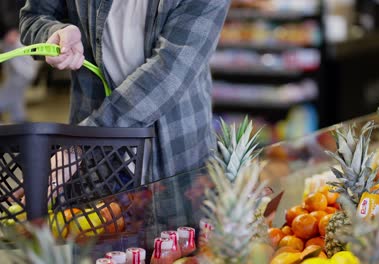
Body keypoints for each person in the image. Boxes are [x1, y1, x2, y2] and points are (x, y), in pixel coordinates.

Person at [20, 0, 231, 181]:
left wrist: (84, 142)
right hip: (91, 158)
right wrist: (53, 34)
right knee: (91, 224)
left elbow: (170, 70)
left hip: (176, 152)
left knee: (179, 228)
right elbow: (33, 18)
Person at [0, 0, 39, 124]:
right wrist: (7, 28)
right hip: (13, 33)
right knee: (25, 74)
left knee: (14, 76)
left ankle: (18, 116)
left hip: (21, 29)